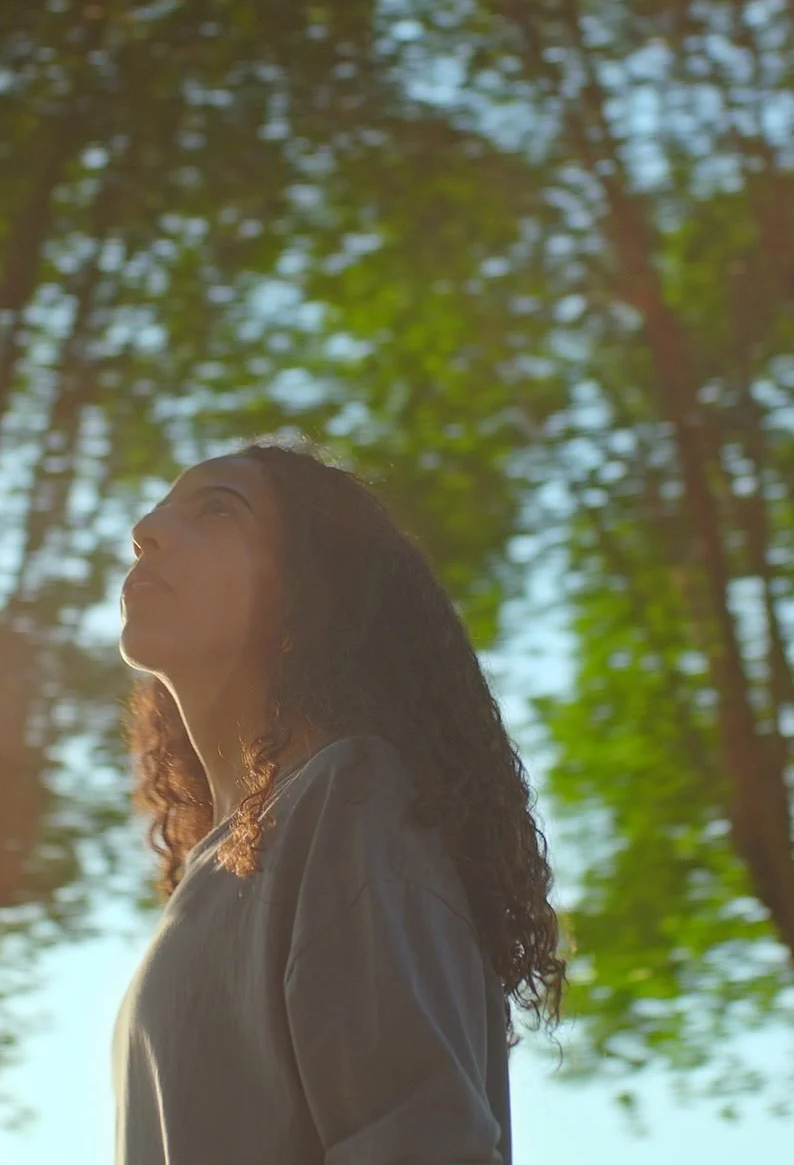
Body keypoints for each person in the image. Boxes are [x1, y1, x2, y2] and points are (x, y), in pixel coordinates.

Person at [112, 439, 564, 1164]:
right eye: (159, 512)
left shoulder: (352, 797)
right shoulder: (219, 874)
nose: (148, 530)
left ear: (309, 587)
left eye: (217, 511)